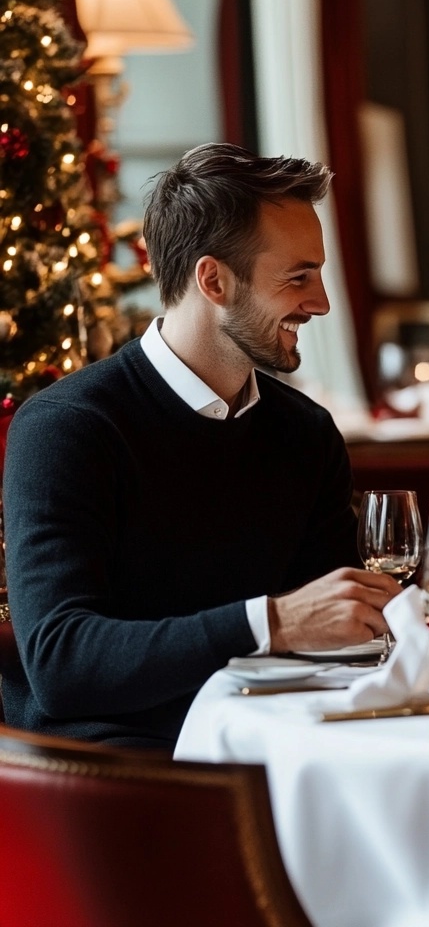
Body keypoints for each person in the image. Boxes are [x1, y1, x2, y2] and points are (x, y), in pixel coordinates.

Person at [1, 143, 400, 748]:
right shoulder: (68, 428)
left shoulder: (306, 433)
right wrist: (270, 621)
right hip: (125, 780)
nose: (320, 303)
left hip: (275, 749)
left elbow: (342, 632)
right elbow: (62, 666)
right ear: (212, 279)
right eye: (298, 277)